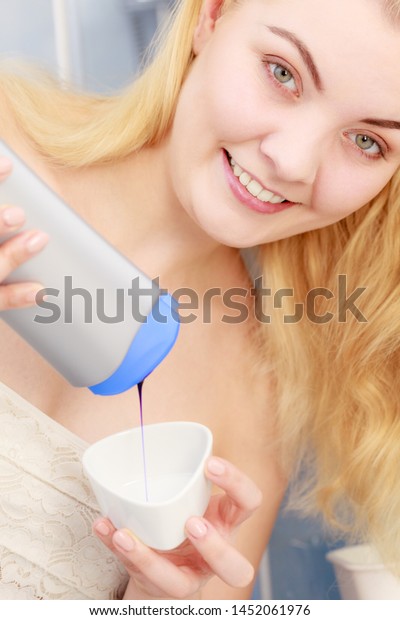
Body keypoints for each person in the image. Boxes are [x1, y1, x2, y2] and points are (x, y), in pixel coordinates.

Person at [0, 0, 400, 600]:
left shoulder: (261, 404)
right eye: (282, 72)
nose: (292, 161)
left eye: (368, 142)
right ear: (211, 17)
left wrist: (165, 602)